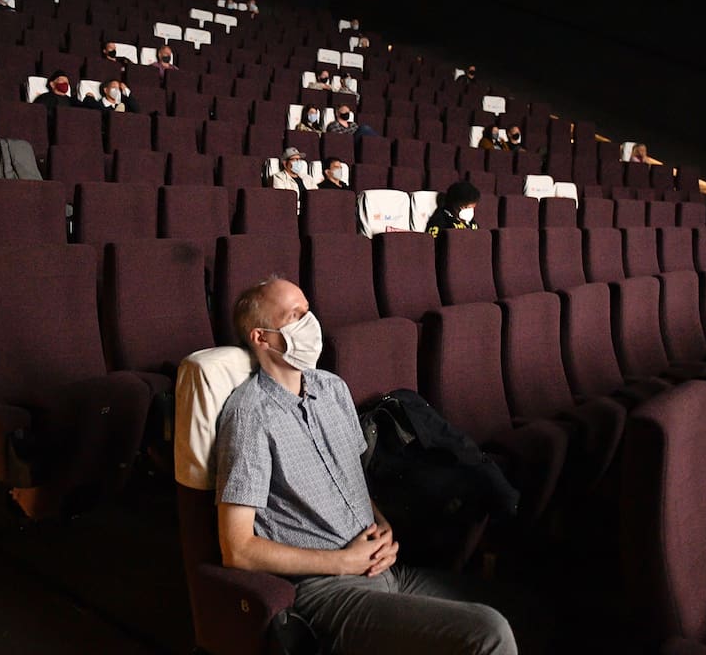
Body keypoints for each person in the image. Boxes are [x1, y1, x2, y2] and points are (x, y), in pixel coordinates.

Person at [215, 277, 520, 655]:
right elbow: (238, 549)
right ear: (262, 338)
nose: (311, 324)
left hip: (383, 570)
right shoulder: (249, 416)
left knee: (523, 609)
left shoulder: (332, 389)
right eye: (295, 316)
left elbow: (352, 478)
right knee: (488, 633)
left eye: (308, 311)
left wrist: (380, 523)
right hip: (326, 590)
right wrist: (342, 562)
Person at [32, 69, 96, 125]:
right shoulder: (44, 97)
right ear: (52, 84)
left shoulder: (72, 100)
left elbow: (84, 112)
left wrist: (90, 98)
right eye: (62, 80)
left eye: (67, 82)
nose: (65, 83)